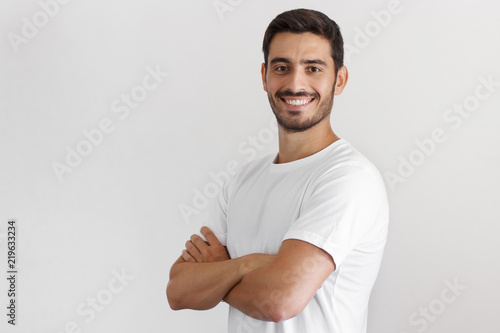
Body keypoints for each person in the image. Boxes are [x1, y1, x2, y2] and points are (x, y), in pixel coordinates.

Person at [166, 8, 389, 333]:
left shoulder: (349, 178)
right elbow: (179, 290)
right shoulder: (242, 180)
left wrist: (219, 271)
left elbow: (279, 301)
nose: (296, 84)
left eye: (313, 68)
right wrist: (250, 264)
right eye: (282, 67)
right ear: (264, 77)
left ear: (339, 79)